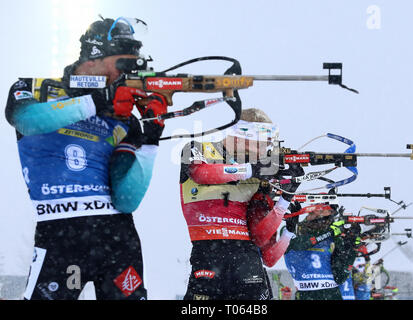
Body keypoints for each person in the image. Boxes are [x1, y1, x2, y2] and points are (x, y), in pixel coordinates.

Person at [5, 17, 167, 300]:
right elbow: (26, 121)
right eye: (123, 64)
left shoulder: (125, 118)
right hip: (61, 232)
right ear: (93, 58)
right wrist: (97, 100)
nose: (127, 74)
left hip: (116, 235)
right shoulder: (38, 88)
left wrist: (151, 138)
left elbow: (128, 199)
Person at [179, 108, 302, 300]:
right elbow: (199, 173)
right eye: (265, 140)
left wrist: (284, 201)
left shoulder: (261, 176)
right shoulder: (197, 147)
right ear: (243, 134)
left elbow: (263, 246)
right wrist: (252, 169)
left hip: (246, 263)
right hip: (209, 258)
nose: (268, 147)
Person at [283, 204, 360, 300]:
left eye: (331, 212)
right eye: (327, 210)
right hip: (306, 294)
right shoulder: (293, 230)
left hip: (331, 293)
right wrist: (330, 232)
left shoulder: (332, 237)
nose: (329, 215)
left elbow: (340, 277)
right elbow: (298, 245)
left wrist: (352, 248)